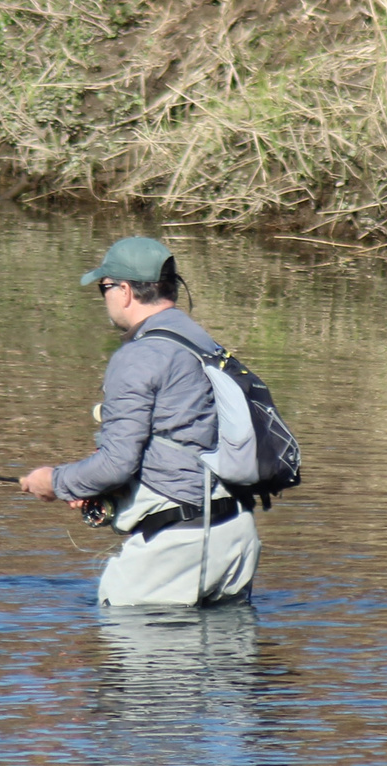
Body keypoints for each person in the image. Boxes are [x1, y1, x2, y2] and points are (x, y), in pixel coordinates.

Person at [20, 237, 261, 606]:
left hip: (178, 546)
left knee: (126, 649)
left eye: (104, 287)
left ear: (125, 290)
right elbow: (184, 442)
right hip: (236, 535)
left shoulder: (139, 355)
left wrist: (55, 482)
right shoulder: (203, 343)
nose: (105, 297)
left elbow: (117, 463)